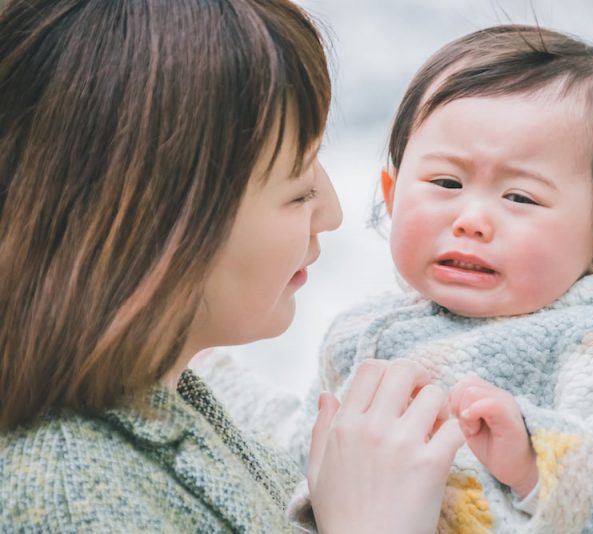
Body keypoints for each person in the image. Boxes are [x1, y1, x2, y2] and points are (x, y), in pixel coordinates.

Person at [0, 1, 465, 532]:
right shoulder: (66, 499)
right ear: (154, 227)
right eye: (297, 189)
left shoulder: (165, 407)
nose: (332, 213)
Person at [289, 25, 593, 533]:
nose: (472, 219)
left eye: (520, 198)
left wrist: (536, 459)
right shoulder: (357, 335)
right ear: (393, 194)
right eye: (446, 182)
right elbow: (288, 451)